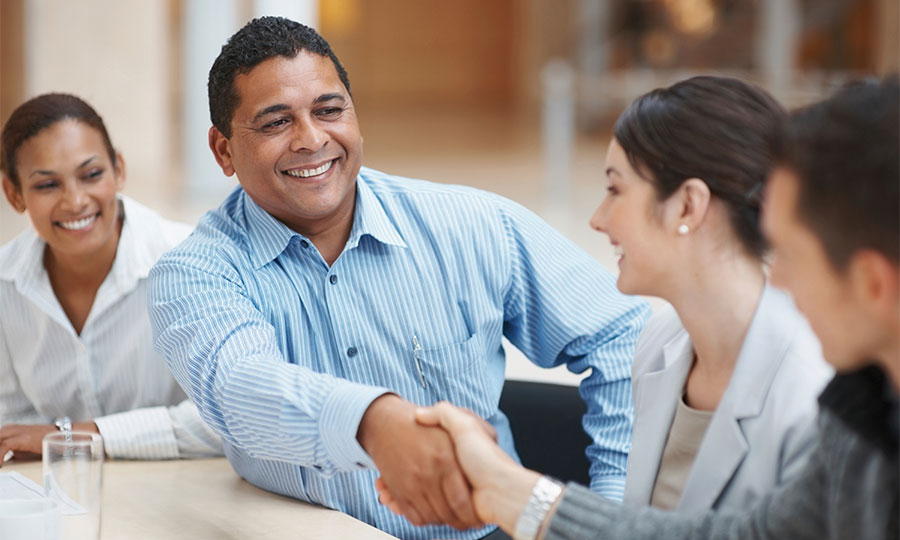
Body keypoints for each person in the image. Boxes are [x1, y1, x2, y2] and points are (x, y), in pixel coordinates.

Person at [147, 16, 648, 540]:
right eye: (276, 123)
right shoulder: (195, 274)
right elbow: (241, 388)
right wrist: (376, 423)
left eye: (329, 110)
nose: (312, 139)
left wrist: (613, 510)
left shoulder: (470, 224)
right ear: (223, 150)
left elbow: (620, 335)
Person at [380, 77, 900, 540]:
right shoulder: (859, 408)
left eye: (788, 254)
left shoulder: (822, 394)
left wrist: (510, 491)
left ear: (688, 206)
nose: (777, 278)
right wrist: (504, 488)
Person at [0, 93, 223, 462]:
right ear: (14, 193)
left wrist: (71, 437)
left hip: (185, 496)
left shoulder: (193, 262)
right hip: (59, 501)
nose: (75, 202)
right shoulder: (5, 284)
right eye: (47, 185)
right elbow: (13, 429)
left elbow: (225, 419)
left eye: (91, 175)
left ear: (118, 169)